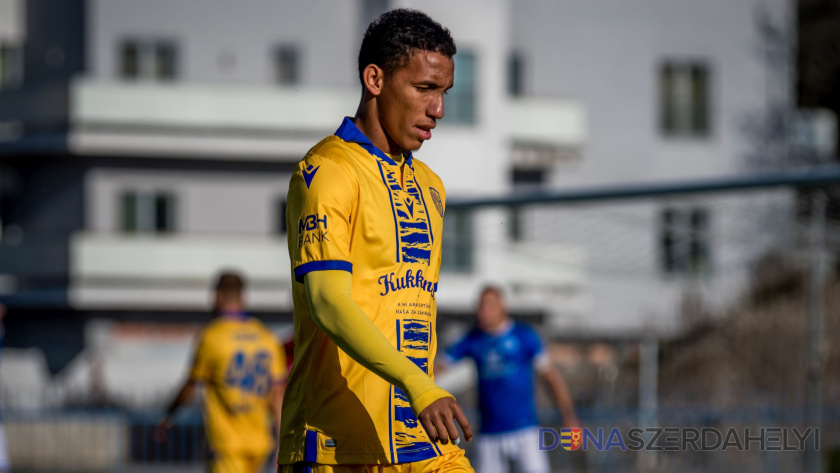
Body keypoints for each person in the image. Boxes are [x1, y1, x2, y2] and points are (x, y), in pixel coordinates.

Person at [279, 8, 474, 473]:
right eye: (424, 88)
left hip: (422, 443)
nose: (438, 110)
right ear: (375, 79)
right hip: (336, 447)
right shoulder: (327, 172)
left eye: (444, 93)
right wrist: (417, 382)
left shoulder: (431, 186)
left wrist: (421, 388)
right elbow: (329, 303)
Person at [157, 273, 287, 473]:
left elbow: (190, 386)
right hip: (260, 445)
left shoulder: (212, 336)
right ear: (244, 298)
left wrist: (169, 415)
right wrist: (282, 442)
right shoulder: (267, 337)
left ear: (217, 296)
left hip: (226, 446)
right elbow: (278, 395)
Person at [442, 286, 579, 473]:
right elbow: (440, 365)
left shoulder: (524, 336)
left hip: (525, 430)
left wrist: (568, 416)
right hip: (489, 434)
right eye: (480, 306)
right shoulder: (473, 339)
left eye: (489, 305)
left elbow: (551, 378)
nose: (483, 311)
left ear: (502, 307)